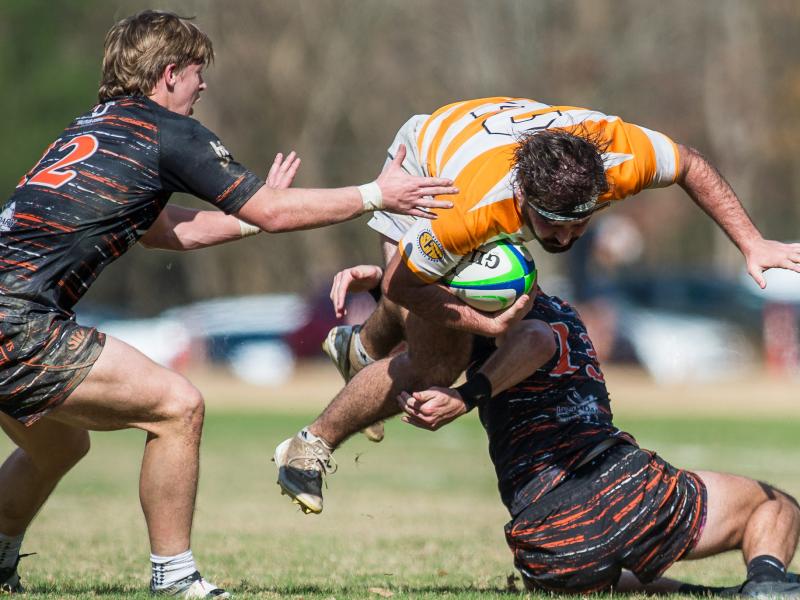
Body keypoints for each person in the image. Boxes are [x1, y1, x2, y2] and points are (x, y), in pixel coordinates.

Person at [0, 10, 457, 598]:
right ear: (169, 75)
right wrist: (377, 195)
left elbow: (161, 229)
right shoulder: (170, 132)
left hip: (12, 314)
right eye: (196, 72)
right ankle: (175, 577)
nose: (203, 85)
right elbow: (269, 208)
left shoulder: (93, 129)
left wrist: (251, 222)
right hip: (18, 322)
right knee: (177, 407)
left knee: (59, 443)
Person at [274, 97, 800, 515]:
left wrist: (751, 241)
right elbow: (405, 285)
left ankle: (359, 351)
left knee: (429, 328)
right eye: (552, 223)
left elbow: (689, 162)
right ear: (523, 201)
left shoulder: (620, 158)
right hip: (426, 162)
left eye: (582, 222)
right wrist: (486, 322)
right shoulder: (466, 210)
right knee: (439, 361)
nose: (568, 236)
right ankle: (305, 447)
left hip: (481, 140)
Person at [396, 288, 800, 597]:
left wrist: (384, 291)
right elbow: (536, 338)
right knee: (774, 505)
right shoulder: (549, 314)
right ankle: (765, 582)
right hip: (623, 488)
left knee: (596, 565)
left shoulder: (465, 326)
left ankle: (704, 594)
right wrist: (467, 397)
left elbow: (414, 319)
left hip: (545, 543)